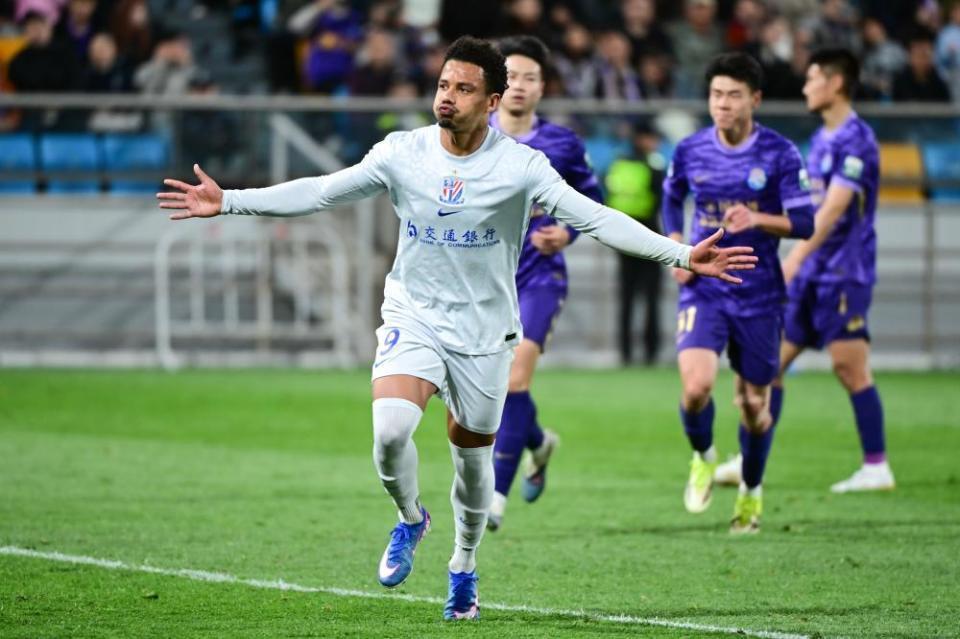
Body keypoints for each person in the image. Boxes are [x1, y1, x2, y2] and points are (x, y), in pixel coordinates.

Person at [158, 36, 757, 619]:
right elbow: (321, 191)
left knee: (472, 466)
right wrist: (230, 200)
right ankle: (410, 518)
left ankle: (464, 565)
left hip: (484, 334)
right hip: (414, 314)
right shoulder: (403, 152)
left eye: (464, 89)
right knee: (390, 431)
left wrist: (682, 254)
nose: (447, 96)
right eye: (443, 84)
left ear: (492, 101)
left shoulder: (521, 166)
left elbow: (596, 218)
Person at [717, 49, 893, 495]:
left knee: (849, 367)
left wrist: (793, 258)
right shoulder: (822, 139)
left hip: (843, 271)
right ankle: (748, 459)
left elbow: (831, 211)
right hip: (813, 270)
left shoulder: (857, 140)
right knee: (769, 365)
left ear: (835, 83)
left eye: (812, 78)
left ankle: (877, 466)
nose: (805, 87)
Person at [662, 52, 814, 534]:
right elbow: (671, 198)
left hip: (759, 293)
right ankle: (704, 456)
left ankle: (751, 489)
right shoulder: (690, 150)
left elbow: (805, 223)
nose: (723, 104)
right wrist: (676, 246)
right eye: (716, 95)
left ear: (755, 100)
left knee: (753, 406)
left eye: (733, 95)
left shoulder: (780, 153)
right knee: (696, 388)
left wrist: (759, 218)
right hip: (705, 286)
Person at [485, 35, 603, 532]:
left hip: (540, 276)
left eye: (529, 77)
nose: (518, 85)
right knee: (491, 386)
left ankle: (495, 498)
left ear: (542, 86)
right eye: (510, 76)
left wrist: (567, 232)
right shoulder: (474, 134)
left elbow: (592, 198)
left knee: (515, 380)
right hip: (484, 279)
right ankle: (537, 441)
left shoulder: (562, 144)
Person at [605, 121, 666, 365]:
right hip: (650, 236)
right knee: (651, 297)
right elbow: (663, 200)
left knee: (627, 297)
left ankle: (625, 352)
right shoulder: (654, 165)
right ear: (644, 139)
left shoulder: (618, 163)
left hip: (622, 238)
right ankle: (651, 352)